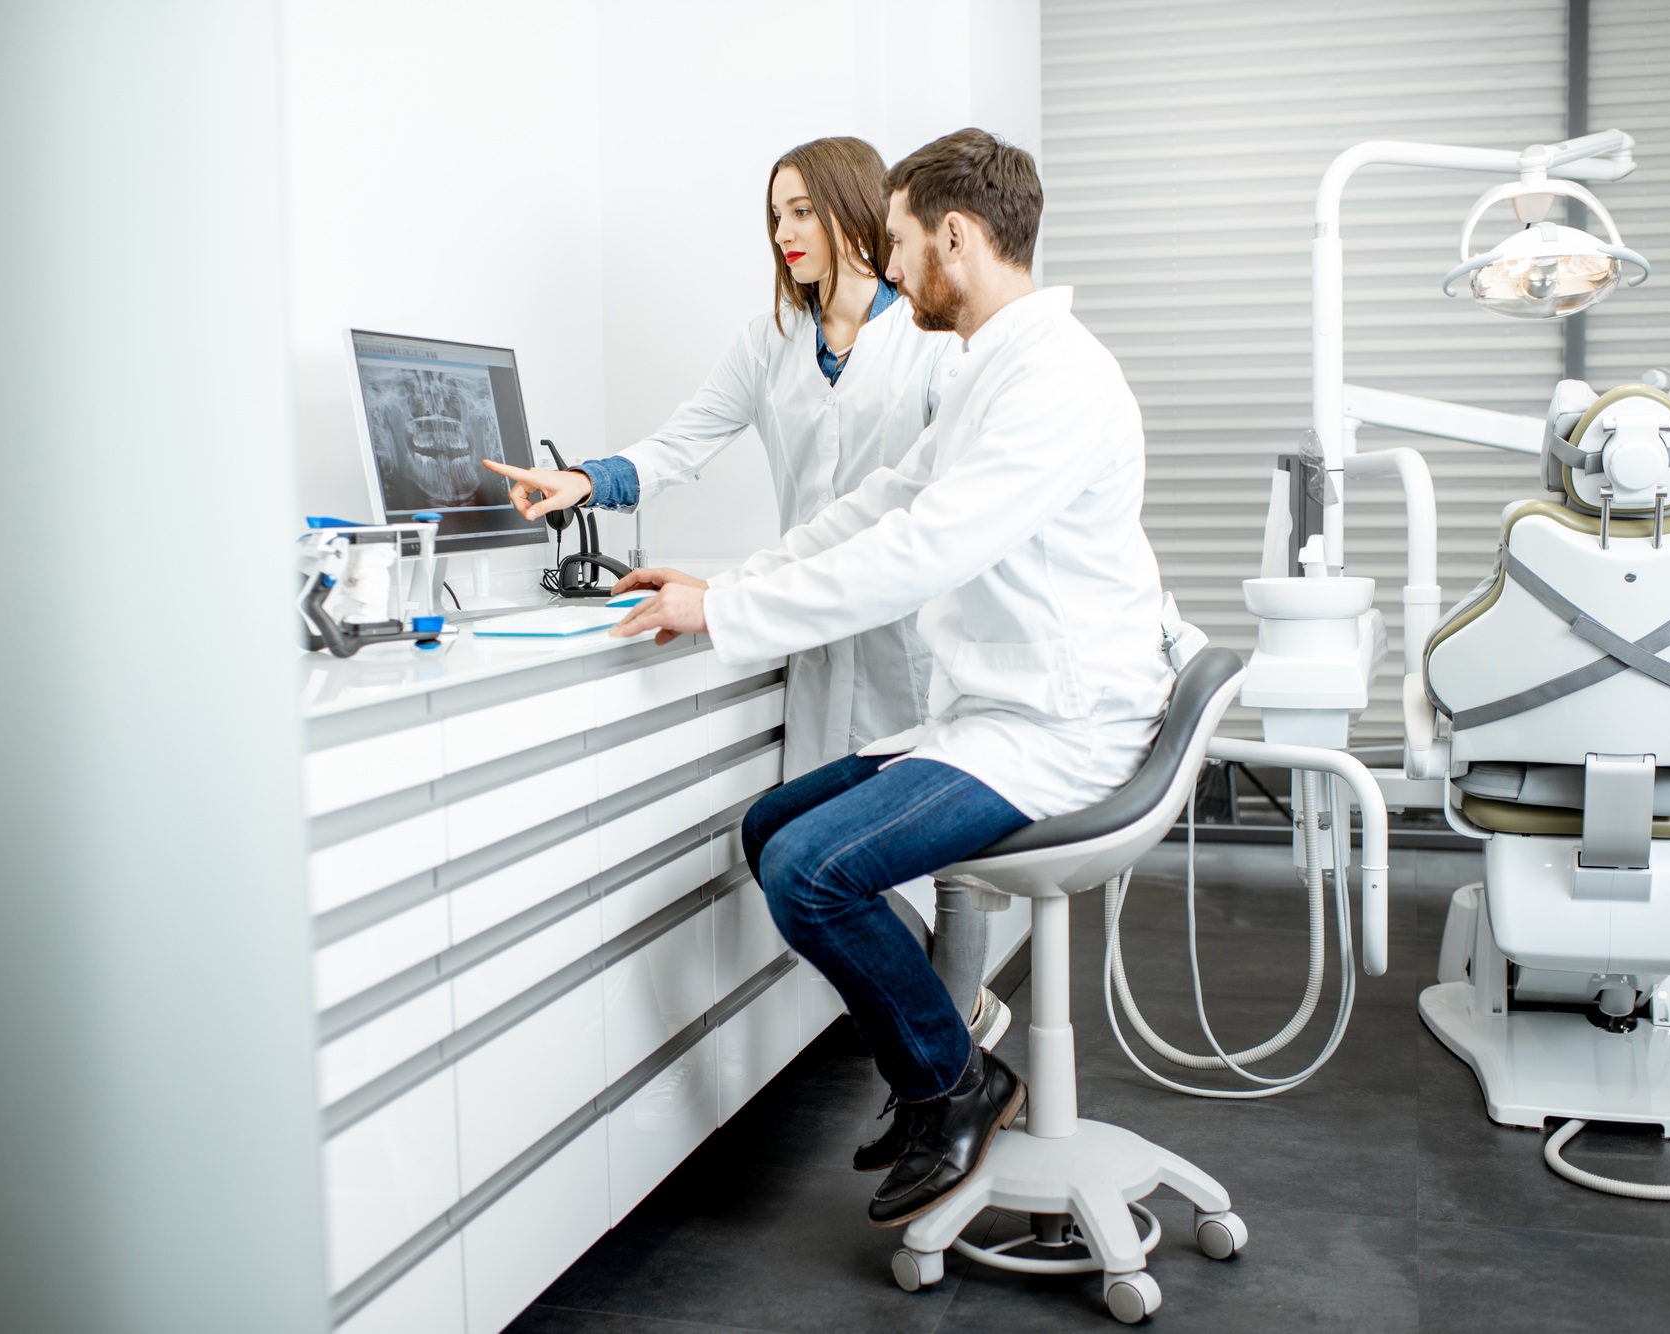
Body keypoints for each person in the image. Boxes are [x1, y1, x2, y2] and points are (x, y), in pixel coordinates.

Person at [608, 128, 1174, 1227]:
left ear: (953, 236)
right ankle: (946, 1066)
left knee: (812, 872)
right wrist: (729, 579)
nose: (892, 264)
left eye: (903, 242)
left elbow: (920, 552)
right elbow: (874, 511)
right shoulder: (981, 367)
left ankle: (950, 1081)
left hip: (1059, 726)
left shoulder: (1052, 380)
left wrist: (723, 612)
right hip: (993, 711)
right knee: (771, 826)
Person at [484, 136, 1011, 1055]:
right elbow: (681, 442)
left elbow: (927, 507)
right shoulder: (773, 340)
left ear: (856, 212)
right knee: (826, 857)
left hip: (913, 628)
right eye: (775, 215)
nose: (785, 232)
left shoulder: (928, 343)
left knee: (943, 863)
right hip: (812, 621)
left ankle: (949, 1047)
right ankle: (949, 1036)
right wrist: (584, 483)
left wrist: (733, 592)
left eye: (803, 209)